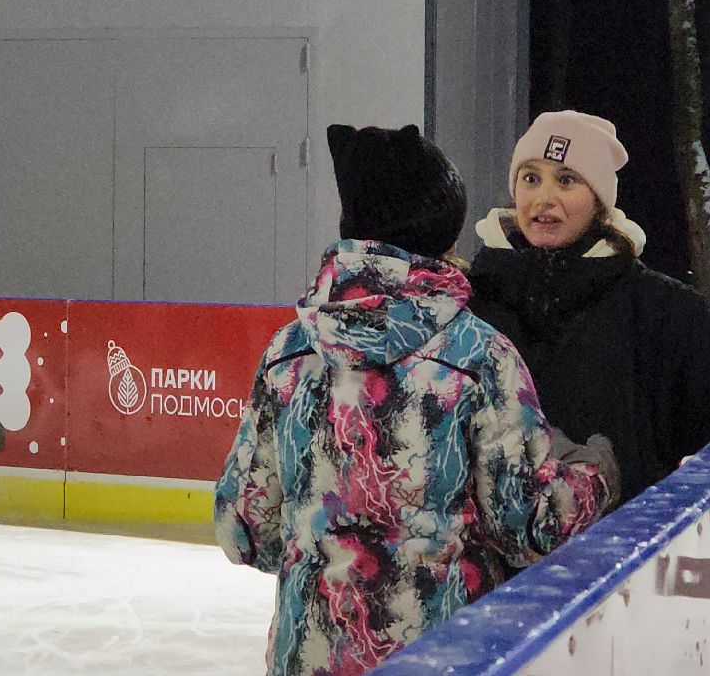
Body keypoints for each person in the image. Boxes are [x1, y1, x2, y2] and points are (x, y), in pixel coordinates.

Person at [215, 123, 614, 676]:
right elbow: (528, 528)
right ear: (444, 235)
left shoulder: (289, 351)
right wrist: (595, 472)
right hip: (444, 658)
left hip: (308, 659)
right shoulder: (476, 354)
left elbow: (243, 526)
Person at [465, 110, 710, 506]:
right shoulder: (473, 297)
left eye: (566, 180)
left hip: (613, 556)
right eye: (530, 178)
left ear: (598, 202)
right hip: (484, 562)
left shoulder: (645, 302)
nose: (544, 198)